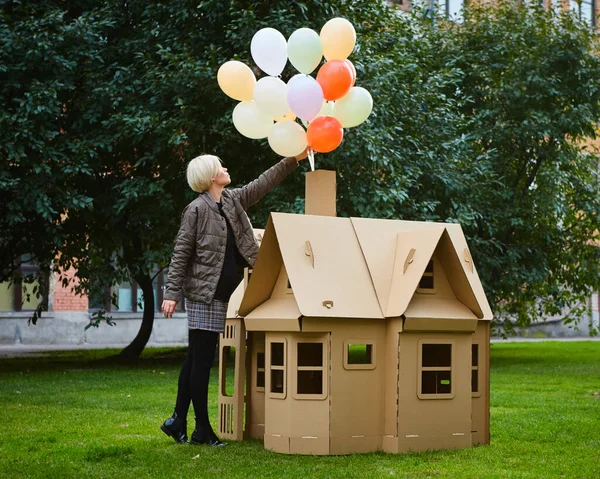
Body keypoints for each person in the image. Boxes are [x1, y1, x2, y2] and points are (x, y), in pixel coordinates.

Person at [159, 151, 305, 446]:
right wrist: (171, 294)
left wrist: (295, 158)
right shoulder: (196, 210)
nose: (226, 168)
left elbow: (264, 183)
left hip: (221, 294)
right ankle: (201, 429)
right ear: (212, 176)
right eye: (220, 166)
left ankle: (177, 420)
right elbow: (180, 254)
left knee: (194, 359)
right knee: (201, 362)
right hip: (204, 295)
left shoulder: (231, 200)